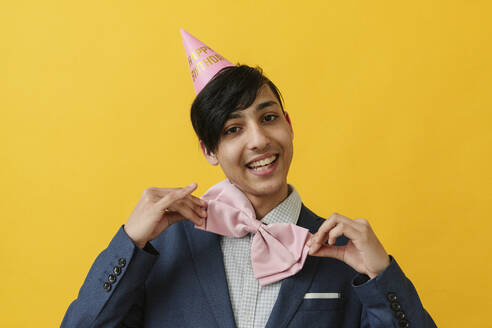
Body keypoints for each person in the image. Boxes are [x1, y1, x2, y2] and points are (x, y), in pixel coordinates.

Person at [61, 31, 437, 328]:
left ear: (289, 126)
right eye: (233, 129)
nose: (258, 140)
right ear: (209, 151)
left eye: (269, 118)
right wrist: (130, 243)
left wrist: (382, 276)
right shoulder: (161, 250)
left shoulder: (345, 253)